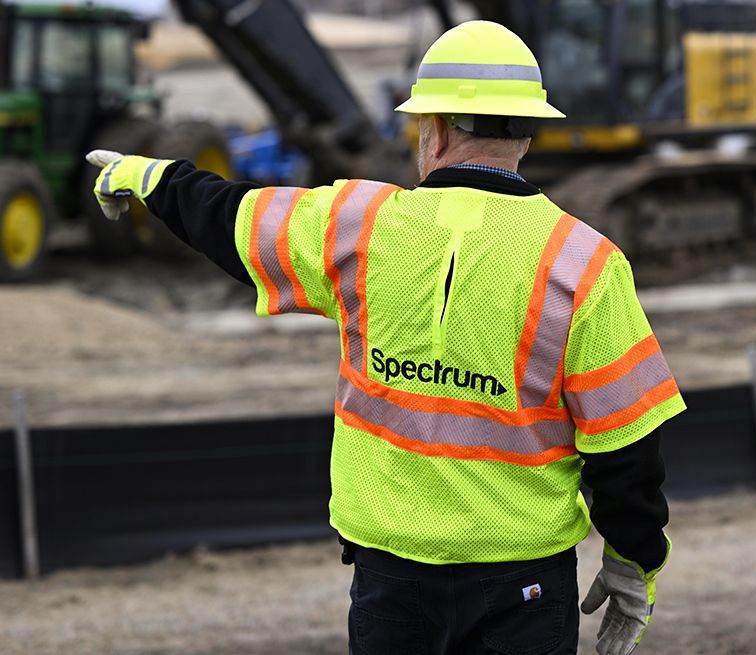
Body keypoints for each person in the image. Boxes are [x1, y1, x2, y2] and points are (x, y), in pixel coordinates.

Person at [86, 20, 683, 655]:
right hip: (524, 583)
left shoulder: (359, 226)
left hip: (391, 580)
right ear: (526, 134)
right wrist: (633, 561)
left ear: (438, 130)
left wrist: (150, 176)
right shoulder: (585, 264)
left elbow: (233, 219)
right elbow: (627, 449)